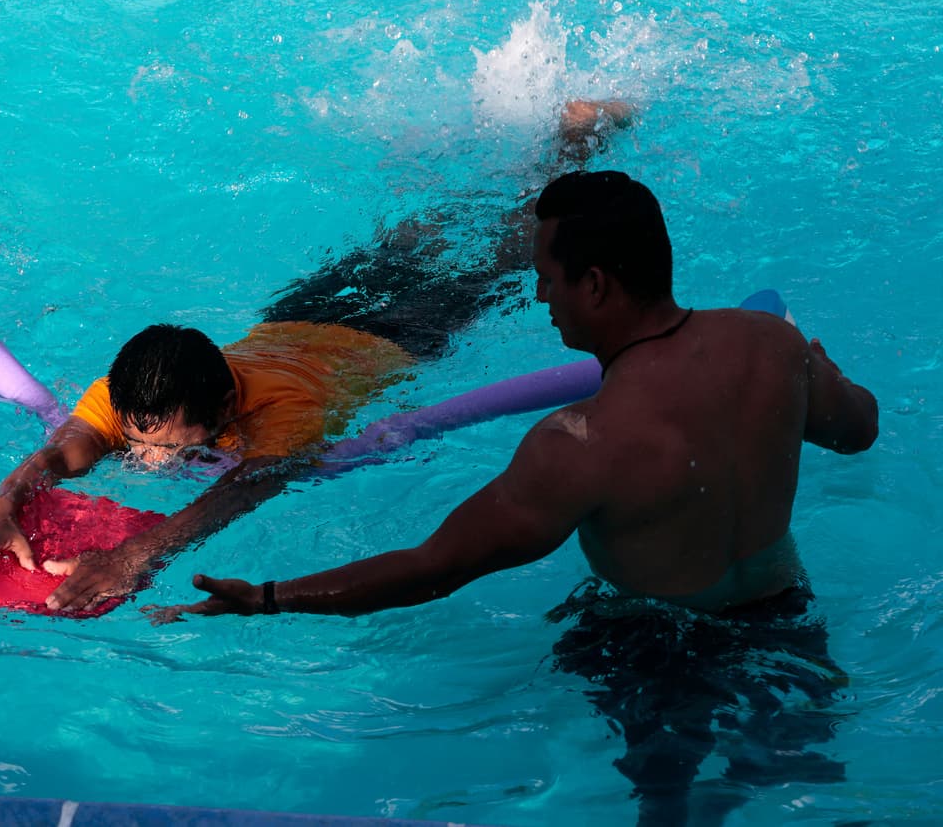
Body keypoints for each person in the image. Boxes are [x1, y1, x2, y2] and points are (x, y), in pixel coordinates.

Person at [147, 170, 878, 824]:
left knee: (665, 801)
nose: (539, 297)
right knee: (800, 773)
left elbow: (435, 567)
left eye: (548, 279)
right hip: (785, 618)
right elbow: (858, 431)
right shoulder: (772, 345)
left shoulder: (581, 442)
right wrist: (819, 369)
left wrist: (268, 597)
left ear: (596, 285)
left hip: (654, 642)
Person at [0, 101, 636, 614]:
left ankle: (577, 140)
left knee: (507, 247)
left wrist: (133, 556)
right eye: (139, 440)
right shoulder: (139, 391)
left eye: (175, 446)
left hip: (398, 335)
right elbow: (61, 454)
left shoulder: (286, 413)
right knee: (414, 239)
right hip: (304, 312)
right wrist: (0, 504)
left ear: (227, 407)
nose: (148, 459)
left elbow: (242, 491)